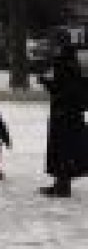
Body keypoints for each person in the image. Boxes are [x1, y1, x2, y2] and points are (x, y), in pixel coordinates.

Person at [37, 45, 88, 197]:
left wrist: (46, 83)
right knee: (65, 151)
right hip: (71, 115)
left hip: (64, 116)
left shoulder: (64, 67)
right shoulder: (75, 68)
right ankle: (60, 184)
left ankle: (62, 187)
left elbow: (63, 90)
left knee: (62, 151)